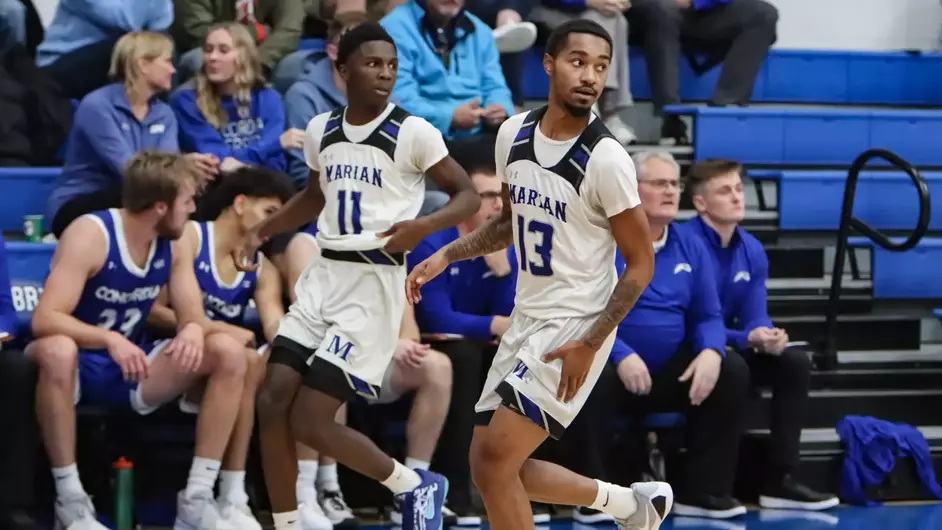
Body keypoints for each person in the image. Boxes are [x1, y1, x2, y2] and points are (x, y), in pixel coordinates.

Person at [406, 19, 671, 530]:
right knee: (488, 467)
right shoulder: (513, 134)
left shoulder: (607, 159)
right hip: (526, 317)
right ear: (549, 64)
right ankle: (630, 506)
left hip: (575, 325)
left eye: (600, 66)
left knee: (497, 459)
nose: (590, 76)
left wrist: (591, 343)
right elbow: (510, 223)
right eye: (578, 62)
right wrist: (449, 255)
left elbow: (642, 264)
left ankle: (630, 506)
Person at [233, 22, 481, 530]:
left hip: (373, 287)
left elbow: (468, 196)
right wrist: (262, 231)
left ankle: (411, 485)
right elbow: (315, 197)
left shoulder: (413, 131)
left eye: (391, 65)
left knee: (310, 418)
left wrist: (423, 225)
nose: (385, 74)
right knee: (272, 396)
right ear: (342, 70)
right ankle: (288, 522)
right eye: (372, 64)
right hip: (324, 277)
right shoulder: (323, 129)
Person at [28, 151, 249, 530]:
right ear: (160, 207)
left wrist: (194, 328)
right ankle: (71, 500)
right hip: (76, 362)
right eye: (187, 201)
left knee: (228, 352)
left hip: (132, 365)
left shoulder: (175, 241)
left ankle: (196, 498)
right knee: (57, 349)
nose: (194, 209)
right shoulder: (91, 233)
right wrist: (109, 339)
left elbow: (191, 313)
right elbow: (45, 318)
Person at [564, 150, 751, 521]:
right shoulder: (600, 239)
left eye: (674, 183)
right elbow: (578, 314)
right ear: (631, 190)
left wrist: (712, 350)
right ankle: (593, 496)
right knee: (589, 369)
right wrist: (620, 354)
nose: (670, 191)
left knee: (732, 368)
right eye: (659, 183)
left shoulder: (689, 243)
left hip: (667, 371)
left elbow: (708, 315)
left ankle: (703, 491)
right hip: (612, 365)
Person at [679, 157, 840, 511]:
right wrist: (743, 339)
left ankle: (780, 480)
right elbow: (686, 322)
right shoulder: (683, 242)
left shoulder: (751, 248)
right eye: (725, 191)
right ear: (701, 202)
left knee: (794, 362)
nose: (738, 197)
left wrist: (766, 335)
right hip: (685, 348)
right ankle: (709, 487)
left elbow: (754, 315)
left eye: (739, 188)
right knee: (733, 363)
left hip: (732, 346)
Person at [147, 166, 299, 529]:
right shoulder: (190, 239)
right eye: (268, 213)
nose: (273, 225)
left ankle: (232, 494)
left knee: (264, 359)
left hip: (227, 368)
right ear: (240, 203)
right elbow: (152, 309)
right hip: (169, 356)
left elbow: (273, 322)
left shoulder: (260, 267)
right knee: (238, 354)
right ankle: (214, 492)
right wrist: (218, 330)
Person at [287, 225, 458, 527]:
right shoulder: (307, 243)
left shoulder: (391, 248)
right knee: (332, 363)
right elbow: (313, 320)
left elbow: (410, 332)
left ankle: (413, 490)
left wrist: (395, 344)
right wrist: (386, 343)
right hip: (335, 353)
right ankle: (325, 489)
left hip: (378, 364)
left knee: (437, 365)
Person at [405, 158, 517, 525]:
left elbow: (513, 318)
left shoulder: (509, 247)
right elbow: (433, 316)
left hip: (481, 343)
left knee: (523, 361)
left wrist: (502, 274)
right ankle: (456, 488)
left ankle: (509, 486)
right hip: (429, 343)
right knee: (465, 359)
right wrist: (494, 324)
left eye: (501, 196)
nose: (497, 205)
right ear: (464, 203)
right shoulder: (432, 244)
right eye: (486, 196)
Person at [47, 31, 218, 239]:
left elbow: (165, 170)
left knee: (193, 196)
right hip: (82, 201)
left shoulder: (164, 113)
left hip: (140, 199)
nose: (173, 70)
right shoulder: (97, 106)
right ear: (143, 65)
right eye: (167, 61)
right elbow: (128, 170)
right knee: (149, 194)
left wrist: (186, 168)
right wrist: (182, 164)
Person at [172, 23, 305, 175]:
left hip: (267, 186)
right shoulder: (187, 101)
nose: (213, 57)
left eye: (223, 50)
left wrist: (241, 164)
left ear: (244, 56)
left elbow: (276, 164)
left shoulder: (268, 97)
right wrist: (275, 145)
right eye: (208, 50)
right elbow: (216, 161)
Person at [36, 0, 173, 99]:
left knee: (163, 49)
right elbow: (126, 21)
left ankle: (162, 126)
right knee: (129, 46)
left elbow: (161, 23)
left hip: (108, 58)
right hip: (63, 61)